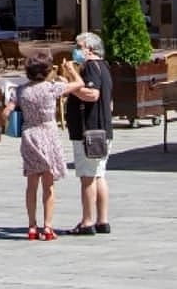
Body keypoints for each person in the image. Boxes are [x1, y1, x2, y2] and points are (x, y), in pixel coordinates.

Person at [2, 53, 86, 240]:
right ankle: (48, 227)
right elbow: (79, 84)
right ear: (47, 71)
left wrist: (7, 120)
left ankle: (32, 226)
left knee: (31, 185)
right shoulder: (51, 88)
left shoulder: (20, 90)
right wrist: (71, 71)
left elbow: (7, 110)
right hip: (48, 134)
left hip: (30, 134)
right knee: (49, 186)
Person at [62, 30, 114, 236]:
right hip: (102, 129)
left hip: (90, 130)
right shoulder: (104, 66)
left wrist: (69, 87)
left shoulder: (92, 67)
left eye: (78, 46)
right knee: (99, 174)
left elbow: (92, 94)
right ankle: (103, 220)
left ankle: (87, 221)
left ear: (90, 49)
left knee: (88, 177)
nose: (75, 50)